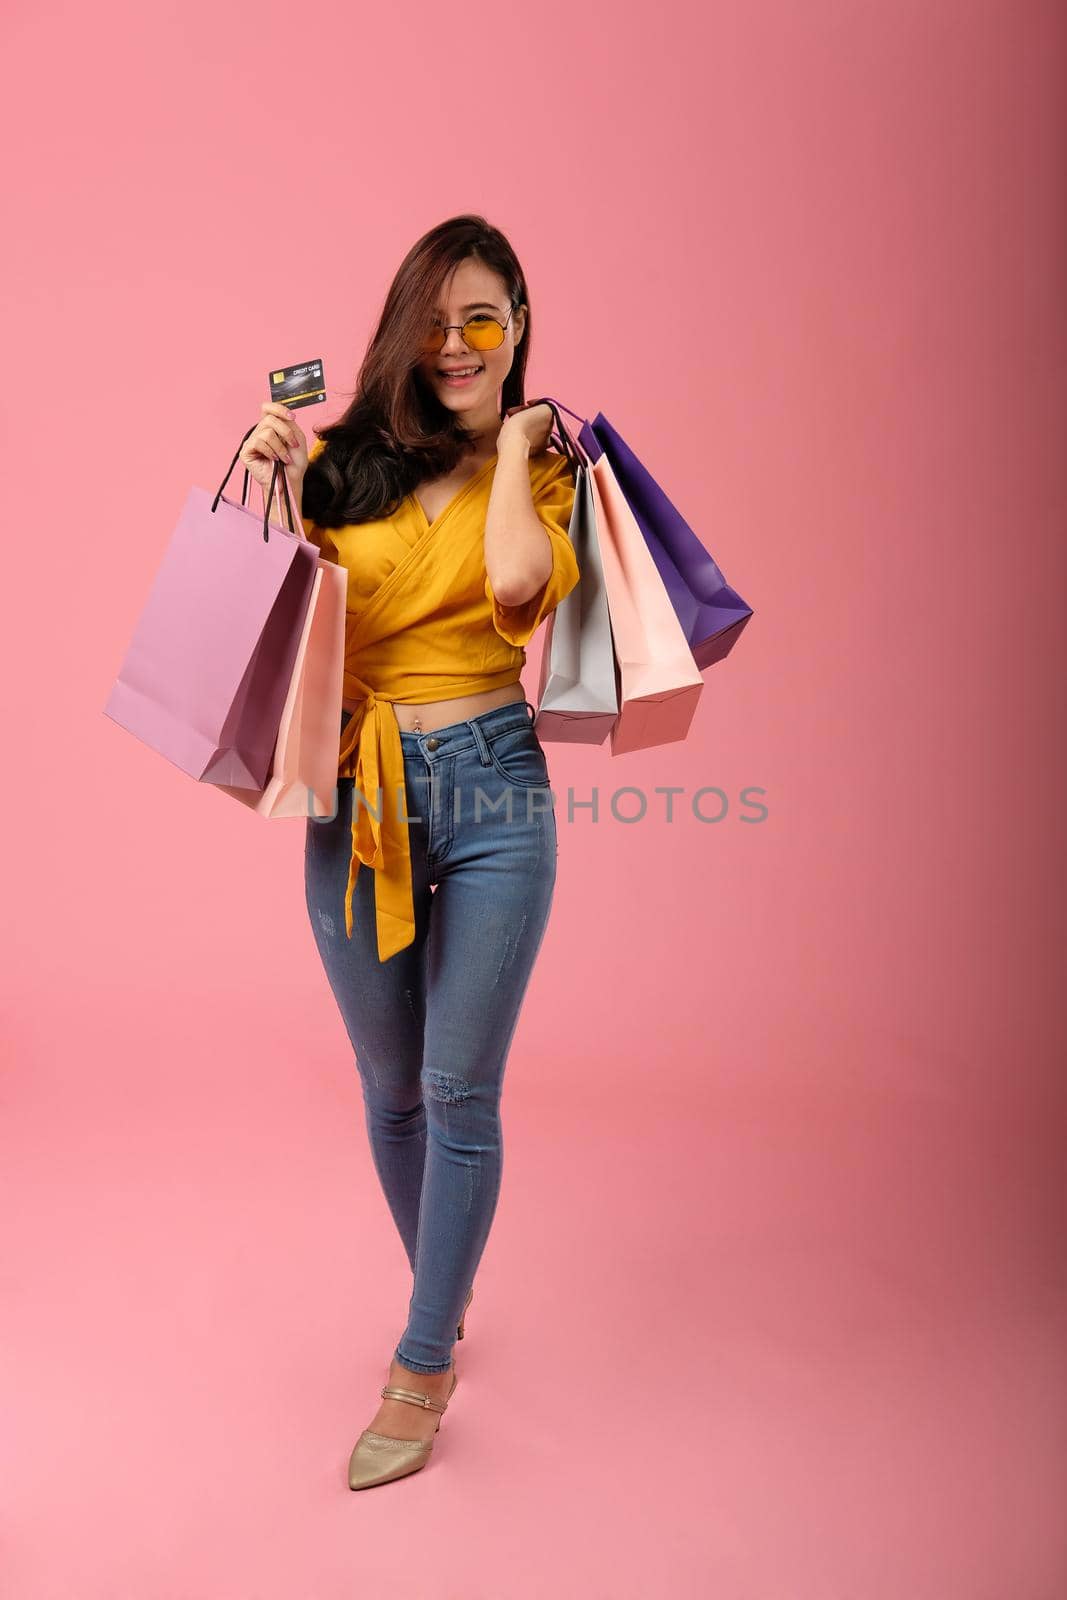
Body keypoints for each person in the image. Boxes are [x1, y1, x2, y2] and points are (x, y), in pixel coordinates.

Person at [238, 214, 580, 1490]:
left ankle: (422, 1359)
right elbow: (279, 624)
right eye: (435, 319)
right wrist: (273, 484)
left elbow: (510, 595)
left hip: (494, 785)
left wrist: (514, 447)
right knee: (387, 1088)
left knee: (456, 1092)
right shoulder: (342, 470)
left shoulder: (545, 476)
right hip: (355, 793)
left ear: (518, 329)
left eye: (482, 318)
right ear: (403, 330)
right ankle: (445, 1284)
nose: (455, 343)